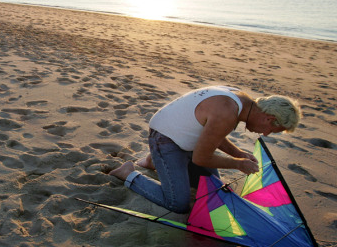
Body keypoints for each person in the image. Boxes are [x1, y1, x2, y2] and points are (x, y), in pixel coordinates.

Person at [109, 85, 301, 214]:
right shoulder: (228, 111)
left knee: (212, 189)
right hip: (165, 138)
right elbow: (201, 158)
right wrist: (238, 165)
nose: (266, 134)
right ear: (268, 118)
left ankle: (154, 161)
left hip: (186, 139)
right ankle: (128, 174)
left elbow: (213, 133)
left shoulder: (241, 100)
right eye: (272, 130)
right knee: (178, 203)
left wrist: (238, 154)